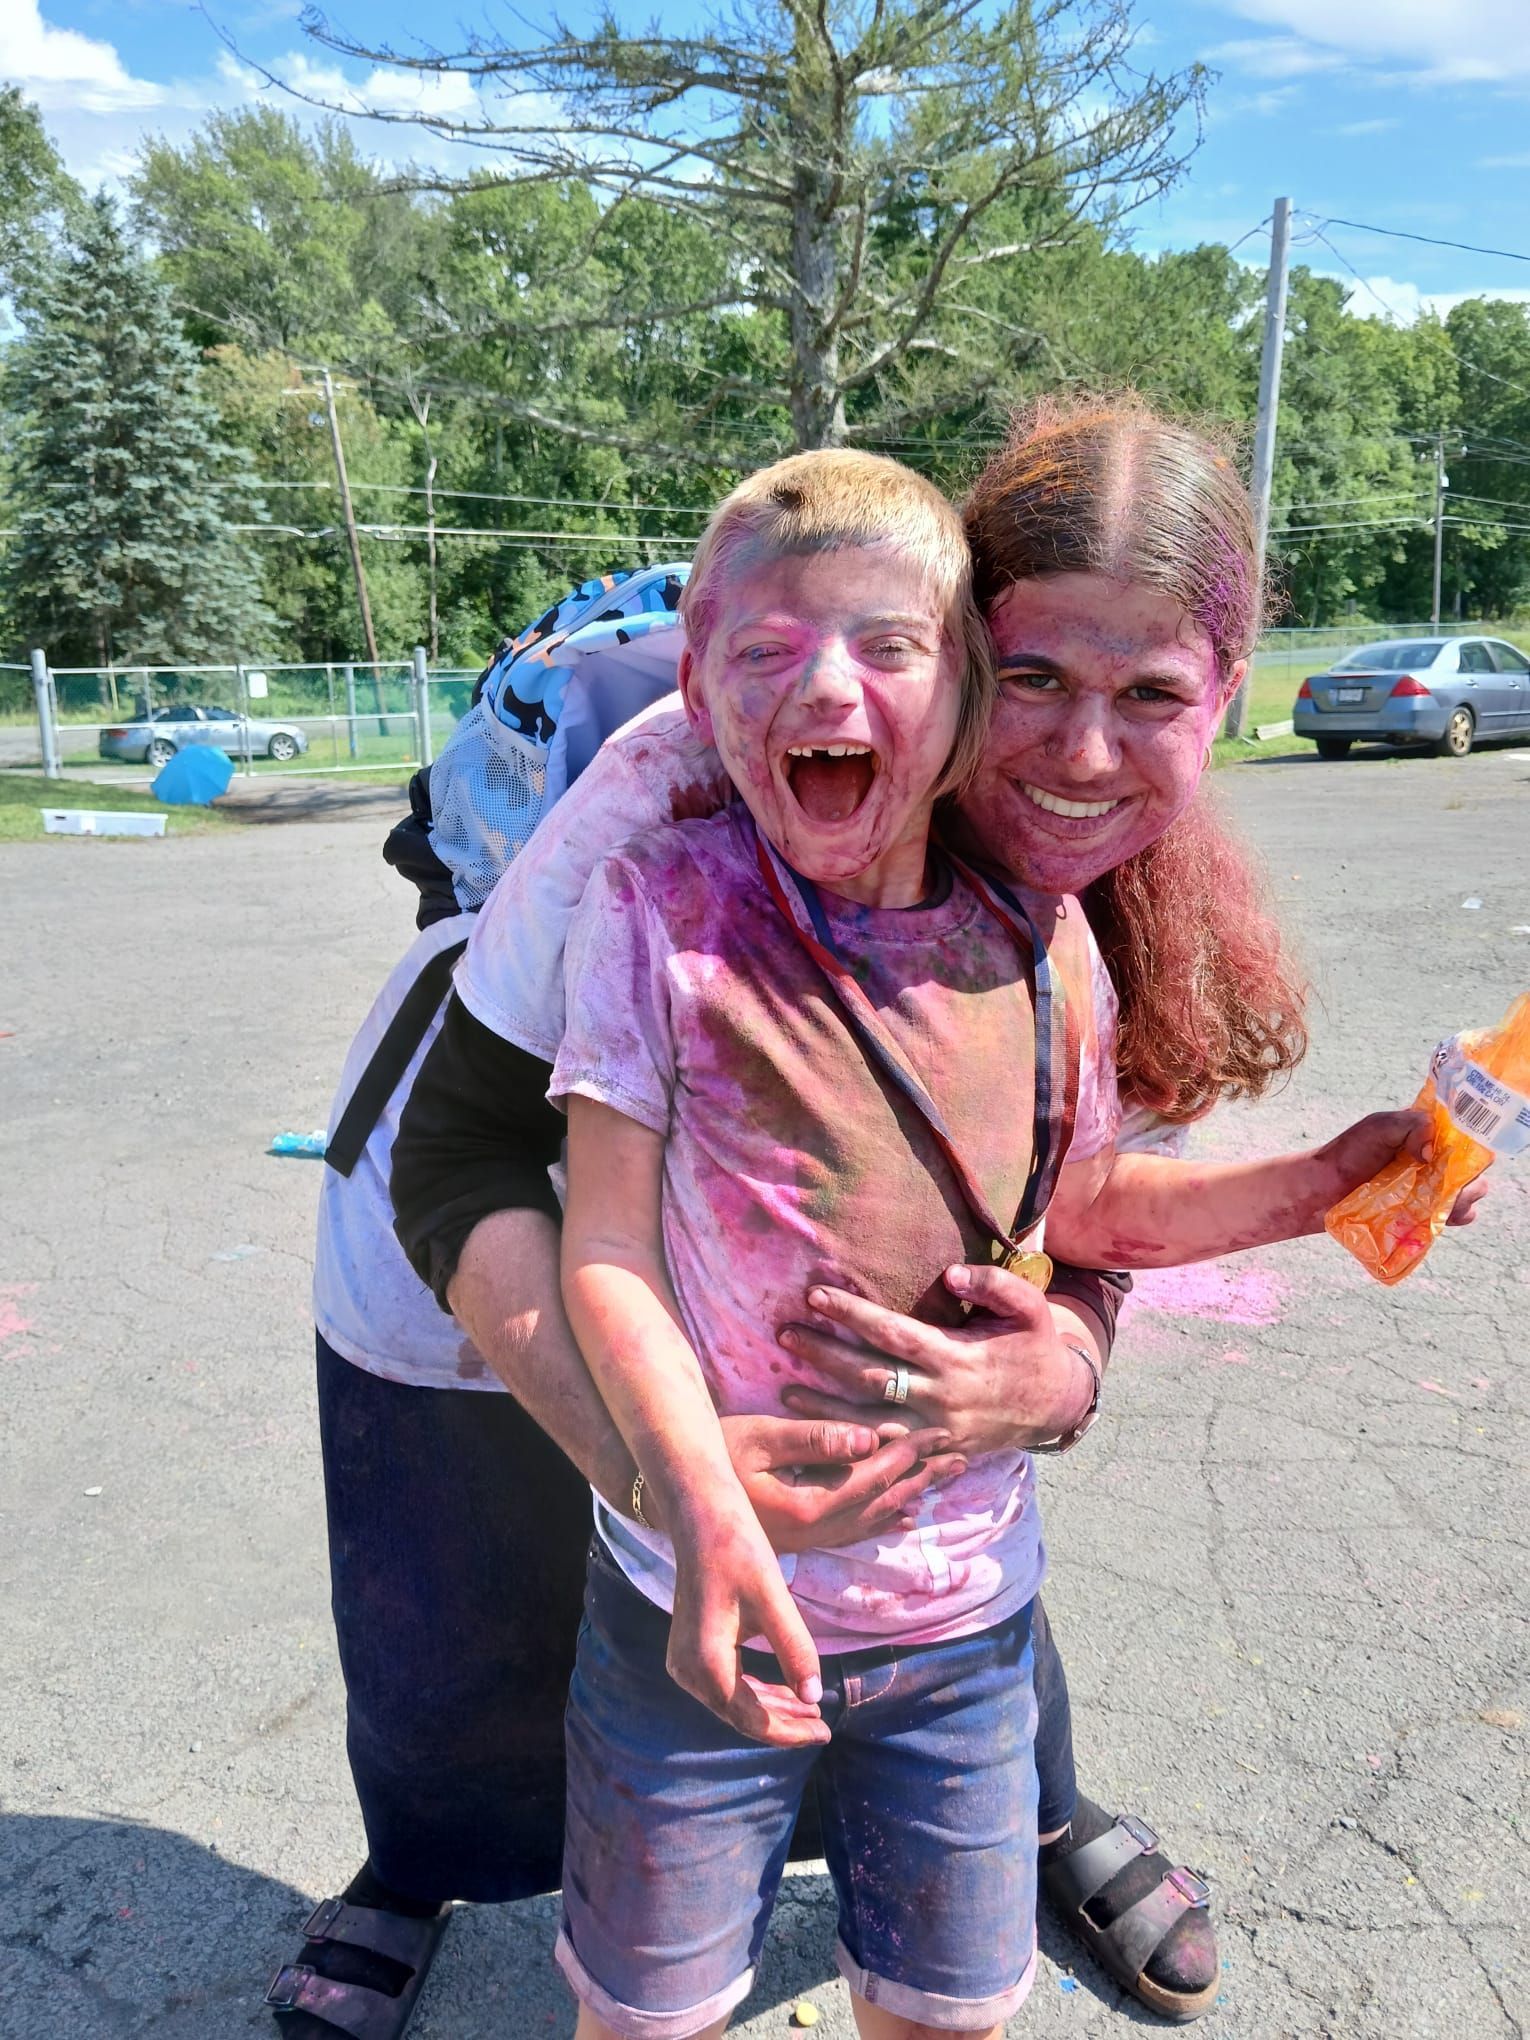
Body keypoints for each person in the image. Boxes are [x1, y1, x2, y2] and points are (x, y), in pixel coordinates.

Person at [269, 397, 1482, 2040]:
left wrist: (1058, 1364)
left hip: (920, 1542)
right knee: (461, 1586)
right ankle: (411, 1868)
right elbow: (465, 1165)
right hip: (513, 1211)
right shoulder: (672, 828)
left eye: (1150, 698)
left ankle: (1022, 1819)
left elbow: (1047, 1217)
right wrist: (655, 1463)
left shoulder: (1073, 902)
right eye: (1037, 679)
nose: (1079, 756)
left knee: (929, 1658)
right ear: (977, 655)